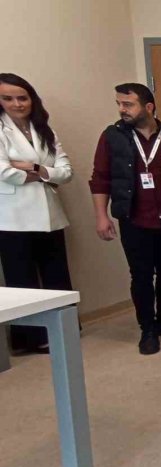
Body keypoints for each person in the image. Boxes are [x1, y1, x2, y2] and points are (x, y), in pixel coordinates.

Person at [89, 83, 161, 355]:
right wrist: (102, 216)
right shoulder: (112, 138)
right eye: (119, 104)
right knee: (140, 275)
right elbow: (100, 179)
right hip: (135, 219)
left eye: (128, 104)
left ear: (148, 107)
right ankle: (147, 329)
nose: (122, 109)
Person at [0, 73, 75, 354]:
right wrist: (44, 173)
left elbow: (66, 173)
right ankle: (28, 340)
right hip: (13, 218)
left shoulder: (44, 130)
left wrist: (32, 168)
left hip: (50, 213)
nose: (17, 104)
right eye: (8, 98)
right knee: (22, 282)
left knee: (57, 276)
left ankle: (64, 330)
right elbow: (3, 171)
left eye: (22, 97)